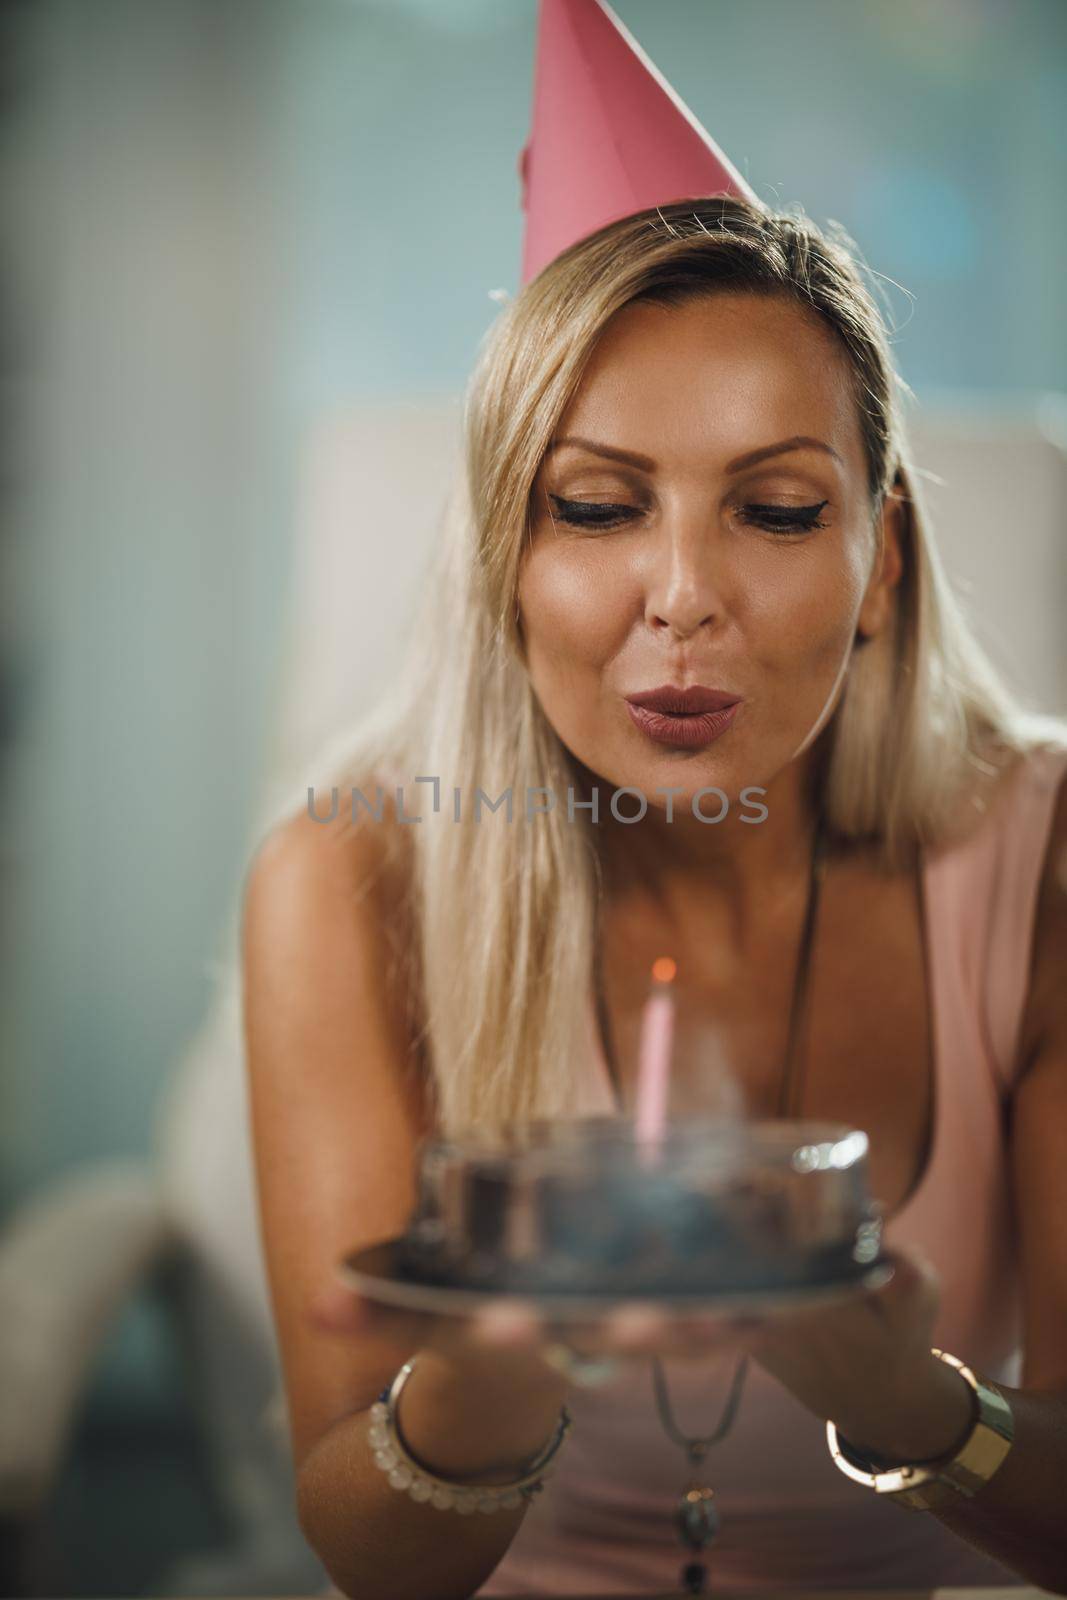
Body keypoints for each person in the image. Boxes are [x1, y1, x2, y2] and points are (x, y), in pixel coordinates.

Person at [240, 6, 1067, 1598]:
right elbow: (368, 1559)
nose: (682, 598)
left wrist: (912, 1408)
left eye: (772, 509)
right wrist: (488, 1377)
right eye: (601, 506)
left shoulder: (1044, 859)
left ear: (882, 563)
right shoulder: (342, 879)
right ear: (506, 562)